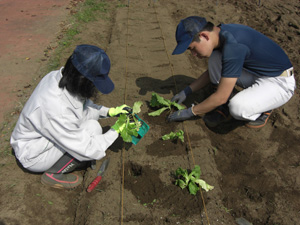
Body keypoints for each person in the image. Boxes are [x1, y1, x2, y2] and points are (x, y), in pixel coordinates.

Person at [10, 45, 130, 189]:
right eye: (93, 84)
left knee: (92, 127)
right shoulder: (57, 108)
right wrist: (115, 131)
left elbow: (80, 108)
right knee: (91, 135)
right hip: (33, 155)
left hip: (41, 136)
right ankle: (54, 174)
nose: (95, 88)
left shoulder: (60, 77)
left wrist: (109, 112)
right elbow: (86, 148)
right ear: (82, 79)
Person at [168, 16, 296, 128]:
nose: (194, 54)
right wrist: (187, 90)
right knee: (215, 57)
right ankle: (234, 99)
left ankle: (264, 109)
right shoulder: (221, 33)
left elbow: (221, 98)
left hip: (279, 82)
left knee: (237, 108)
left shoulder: (233, 46)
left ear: (204, 35)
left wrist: (191, 112)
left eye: (192, 48)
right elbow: (212, 72)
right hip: (257, 72)